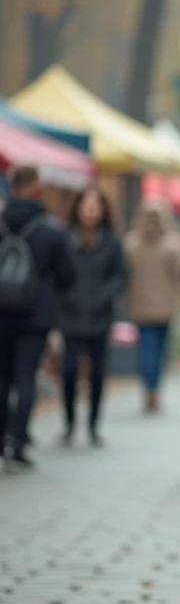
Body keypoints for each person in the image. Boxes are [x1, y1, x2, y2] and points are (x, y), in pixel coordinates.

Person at [0, 166, 75, 470]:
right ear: (37, 189)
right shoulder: (50, 230)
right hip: (36, 315)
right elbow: (68, 275)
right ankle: (17, 442)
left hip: (1, 312)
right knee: (25, 376)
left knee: (2, 376)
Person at [58, 187, 127, 447]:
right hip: (71, 315)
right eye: (86, 206)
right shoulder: (66, 238)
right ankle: (69, 420)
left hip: (99, 316)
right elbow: (57, 274)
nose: (90, 212)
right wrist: (66, 296)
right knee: (69, 369)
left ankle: (93, 423)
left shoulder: (111, 241)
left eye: (95, 206)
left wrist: (105, 296)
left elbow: (121, 276)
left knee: (98, 372)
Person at [123, 197, 180, 413]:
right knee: (160, 349)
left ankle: (149, 386)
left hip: (140, 304)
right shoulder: (173, 244)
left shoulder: (131, 243)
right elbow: (179, 277)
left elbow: (126, 276)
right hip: (165, 305)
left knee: (146, 348)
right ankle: (154, 386)